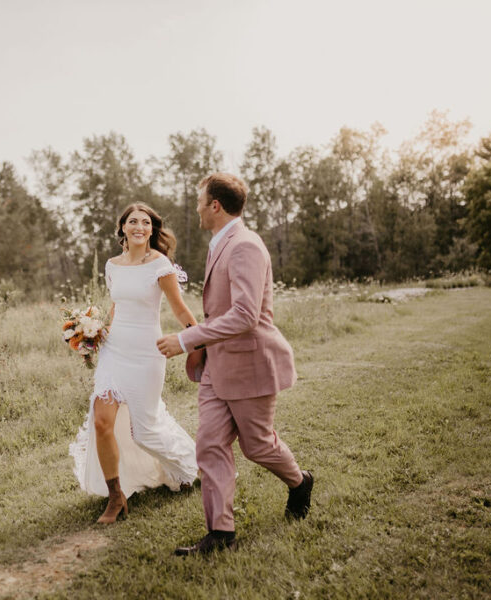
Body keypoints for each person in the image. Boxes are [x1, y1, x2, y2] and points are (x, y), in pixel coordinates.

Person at [156, 173, 313, 555]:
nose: (196, 207)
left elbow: (245, 315)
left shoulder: (245, 246)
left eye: (199, 200)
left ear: (215, 205)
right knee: (209, 444)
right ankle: (221, 533)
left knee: (257, 446)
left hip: (250, 364)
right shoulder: (219, 244)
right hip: (217, 366)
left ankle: (300, 482)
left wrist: (186, 338)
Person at [69, 203, 199, 524]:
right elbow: (116, 307)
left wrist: (198, 338)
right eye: (132, 221)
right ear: (123, 228)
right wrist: (96, 333)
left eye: (145, 222)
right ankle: (116, 497)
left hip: (147, 354)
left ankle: (193, 464)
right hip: (115, 352)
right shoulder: (112, 265)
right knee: (102, 421)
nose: (139, 226)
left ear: (152, 229)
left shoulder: (160, 265)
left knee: (144, 431)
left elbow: (179, 308)